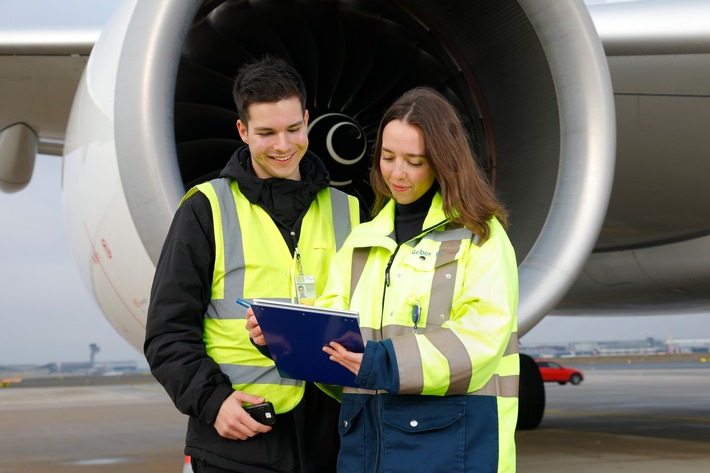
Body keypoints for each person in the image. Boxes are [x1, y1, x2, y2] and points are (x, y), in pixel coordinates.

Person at [144, 55, 360, 473]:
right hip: (239, 441)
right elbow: (166, 333)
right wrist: (212, 402)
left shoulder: (351, 212)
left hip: (333, 441)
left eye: (294, 129)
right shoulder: (205, 209)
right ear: (242, 131)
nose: (283, 146)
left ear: (307, 120)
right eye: (266, 133)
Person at [318, 87, 519, 473]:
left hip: (452, 445)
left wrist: (384, 363)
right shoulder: (361, 242)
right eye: (388, 158)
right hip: (368, 447)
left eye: (414, 161)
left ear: (444, 163)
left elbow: (480, 339)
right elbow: (333, 338)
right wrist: (286, 341)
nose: (396, 173)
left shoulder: (480, 237)